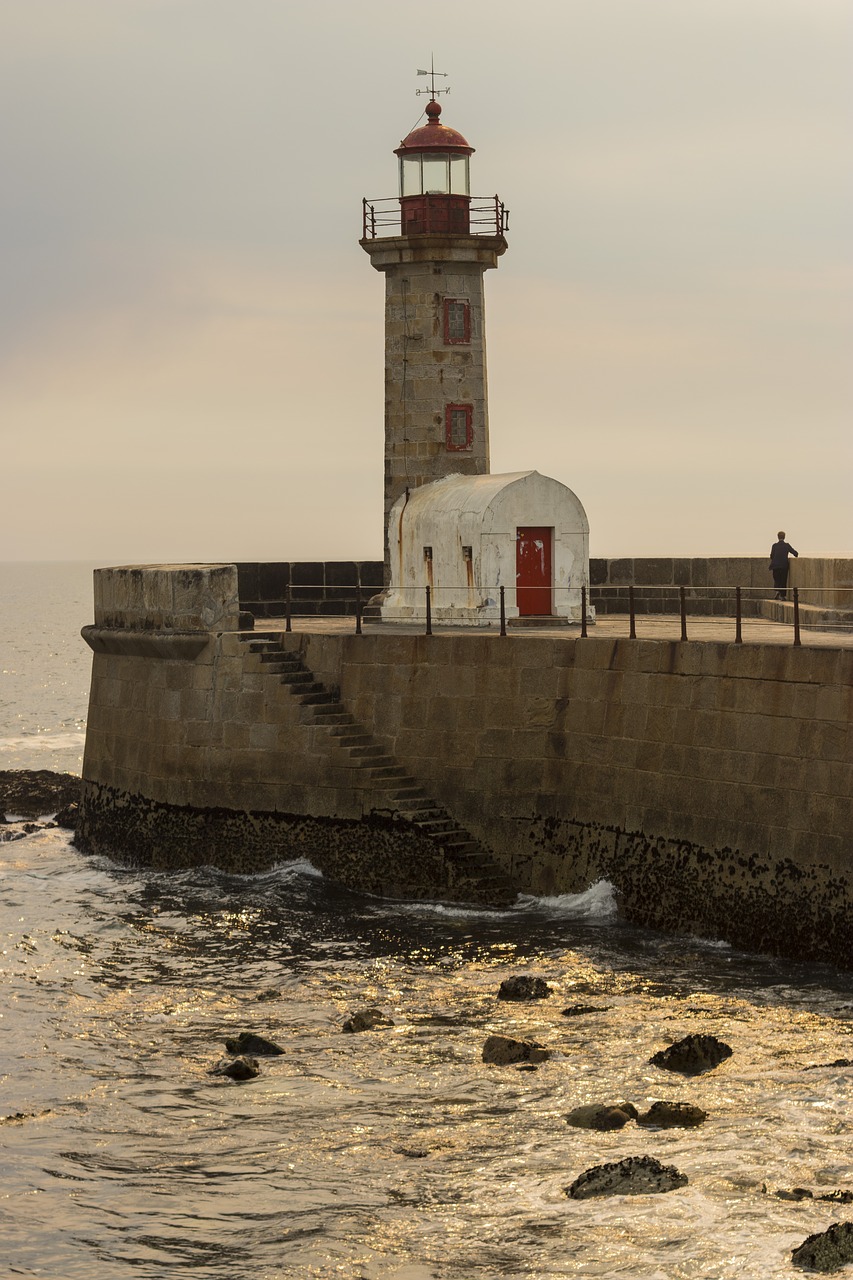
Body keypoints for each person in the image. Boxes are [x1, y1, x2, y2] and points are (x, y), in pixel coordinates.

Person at [769, 531, 798, 600]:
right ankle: (782, 596)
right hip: (783, 565)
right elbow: (795, 553)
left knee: (777, 579)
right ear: (784, 537)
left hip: (775, 565)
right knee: (783, 580)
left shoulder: (774, 546)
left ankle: (777, 591)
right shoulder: (786, 545)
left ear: (778, 537)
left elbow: (772, 556)